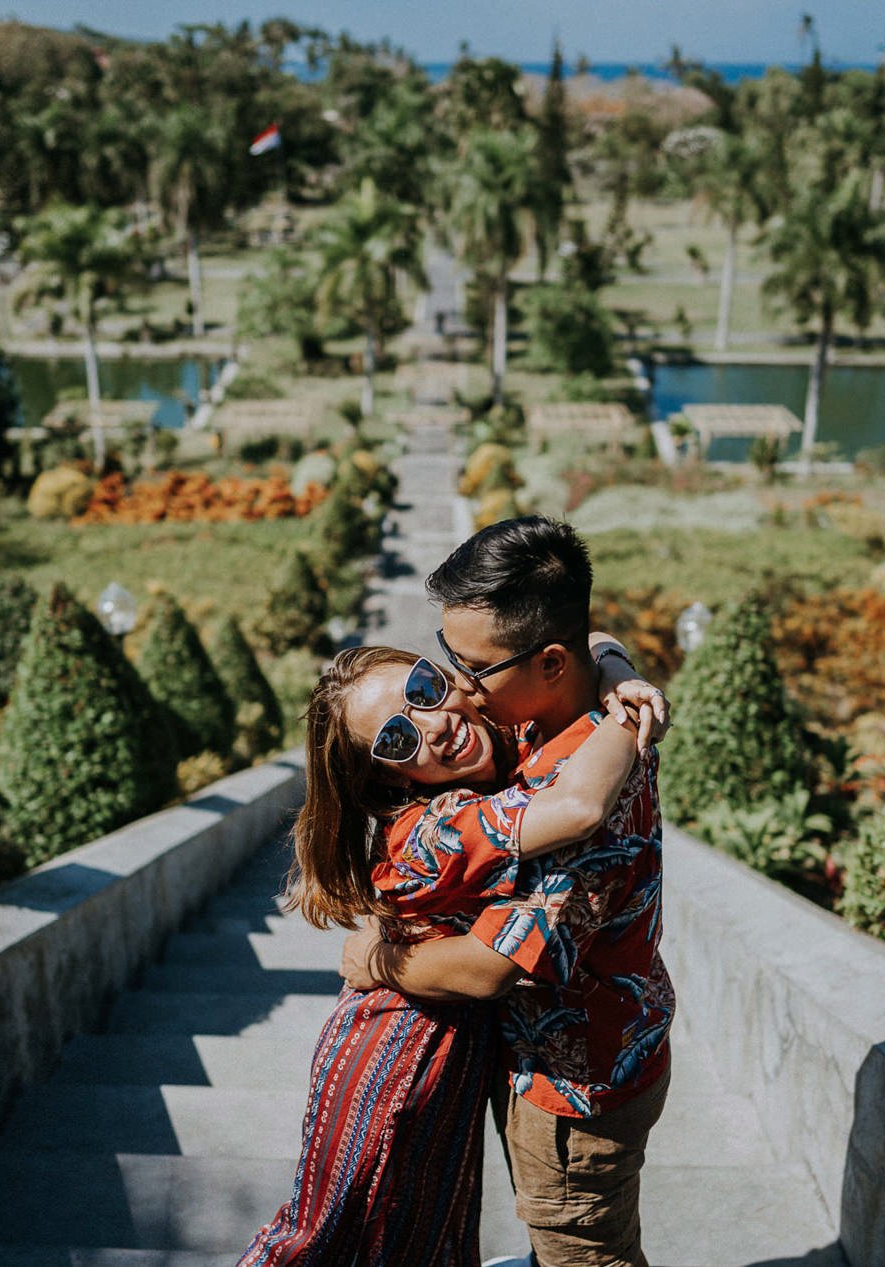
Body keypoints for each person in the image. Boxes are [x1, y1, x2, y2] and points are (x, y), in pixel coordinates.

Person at [239, 642, 662, 1266]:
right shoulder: (431, 831)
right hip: (403, 1054)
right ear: (390, 776)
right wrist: (631, 710)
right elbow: (576, 809)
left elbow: (576, 638)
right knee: (327, 1237)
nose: (432, 725)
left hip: (467, 1047)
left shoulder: (506, 738)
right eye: (395, 741)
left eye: (423, 689)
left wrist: (618, 669)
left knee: (426, 1241)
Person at [341, 516, 675, 1267]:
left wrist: (374, 959)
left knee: (586, 1255)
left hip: (575, 1092)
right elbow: (592, 642)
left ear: (547, 662)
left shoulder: (586, 800)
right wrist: (619, 664)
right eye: (445, 661)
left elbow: (493, 965)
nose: (457, 686)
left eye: (472, 665)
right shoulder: (548, 715)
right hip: (601, 1046)